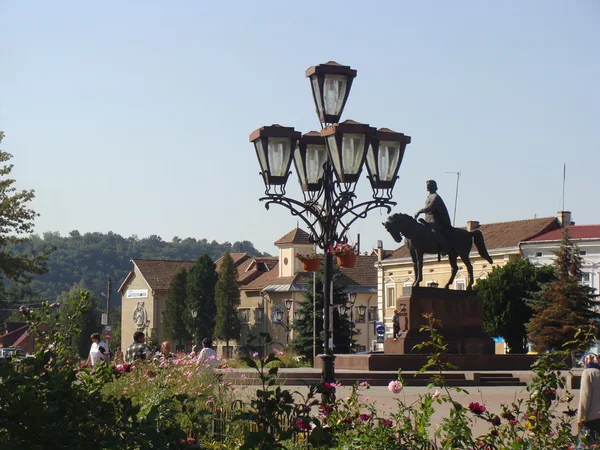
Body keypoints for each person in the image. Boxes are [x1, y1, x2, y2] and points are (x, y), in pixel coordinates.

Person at [414, 180, 453, 257]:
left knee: (434, 232)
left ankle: (444, 247)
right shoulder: (429, 197)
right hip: (428, 219)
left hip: (436, 220)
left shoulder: (435, 197)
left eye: (429, 185)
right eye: (427, 185)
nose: (427, 187)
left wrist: (419, 211)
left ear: (434, 187)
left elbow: (430, 207)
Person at [578, 353, 600, 448]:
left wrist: (580, 418)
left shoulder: (588, 373)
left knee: (586, 444)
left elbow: (585, 397)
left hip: (591, 418)